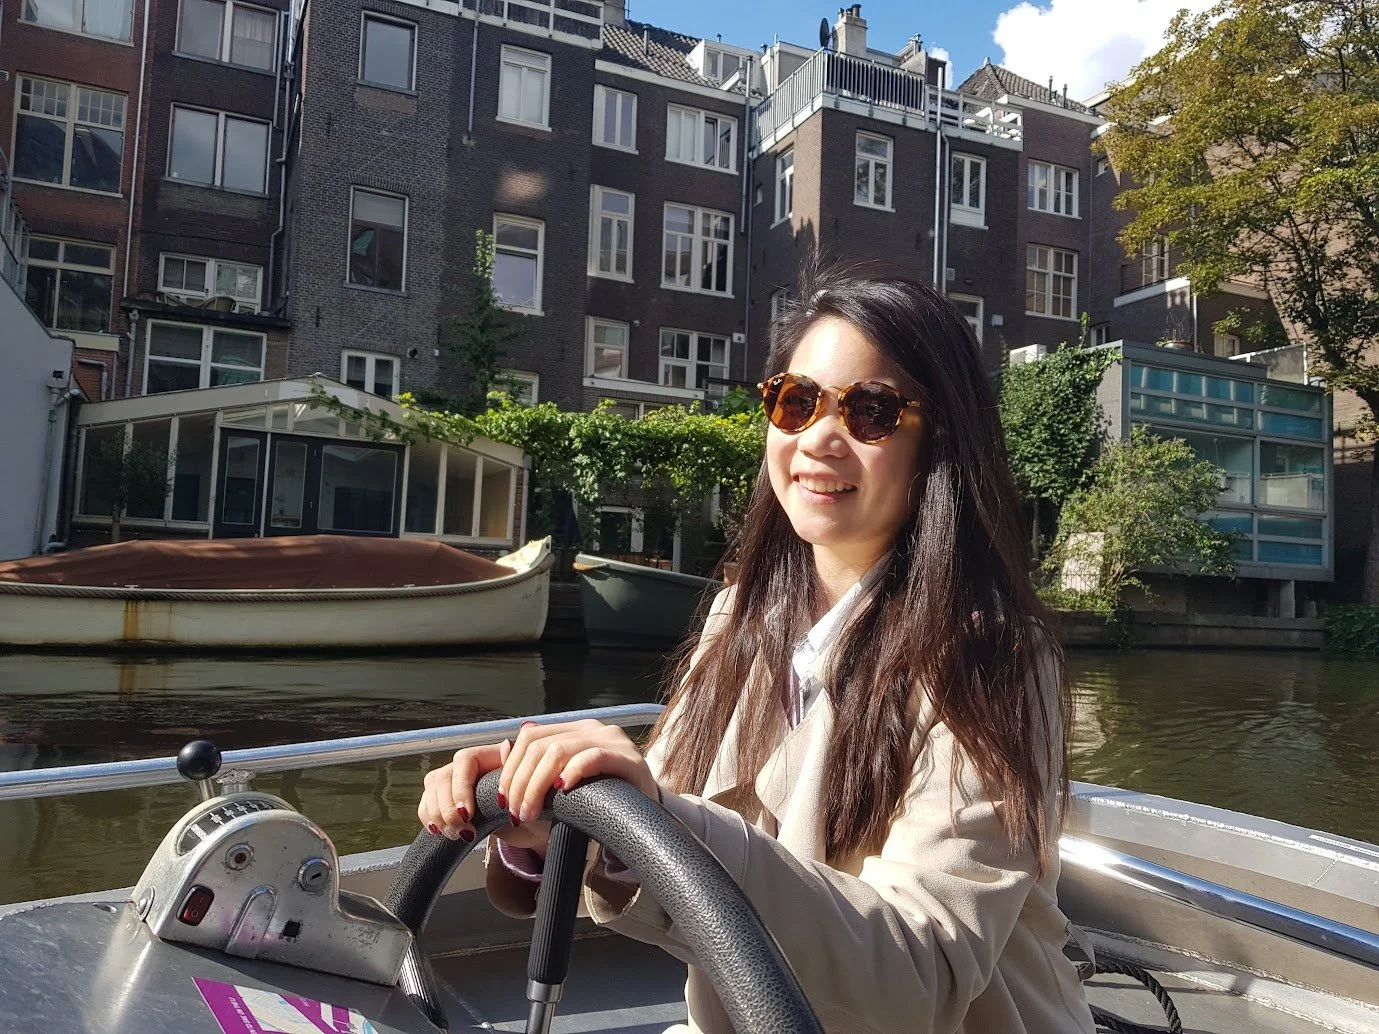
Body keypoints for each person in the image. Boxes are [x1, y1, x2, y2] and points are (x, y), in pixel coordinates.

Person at [416, 265, 1096, 1034]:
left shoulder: (993, 657)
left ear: (938, 440)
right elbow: (654, 833)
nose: (817, 440)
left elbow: (923, 973)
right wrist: (545, 820)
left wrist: (665, 819)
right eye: (795, 402)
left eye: (870, 412)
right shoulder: (739, 620)